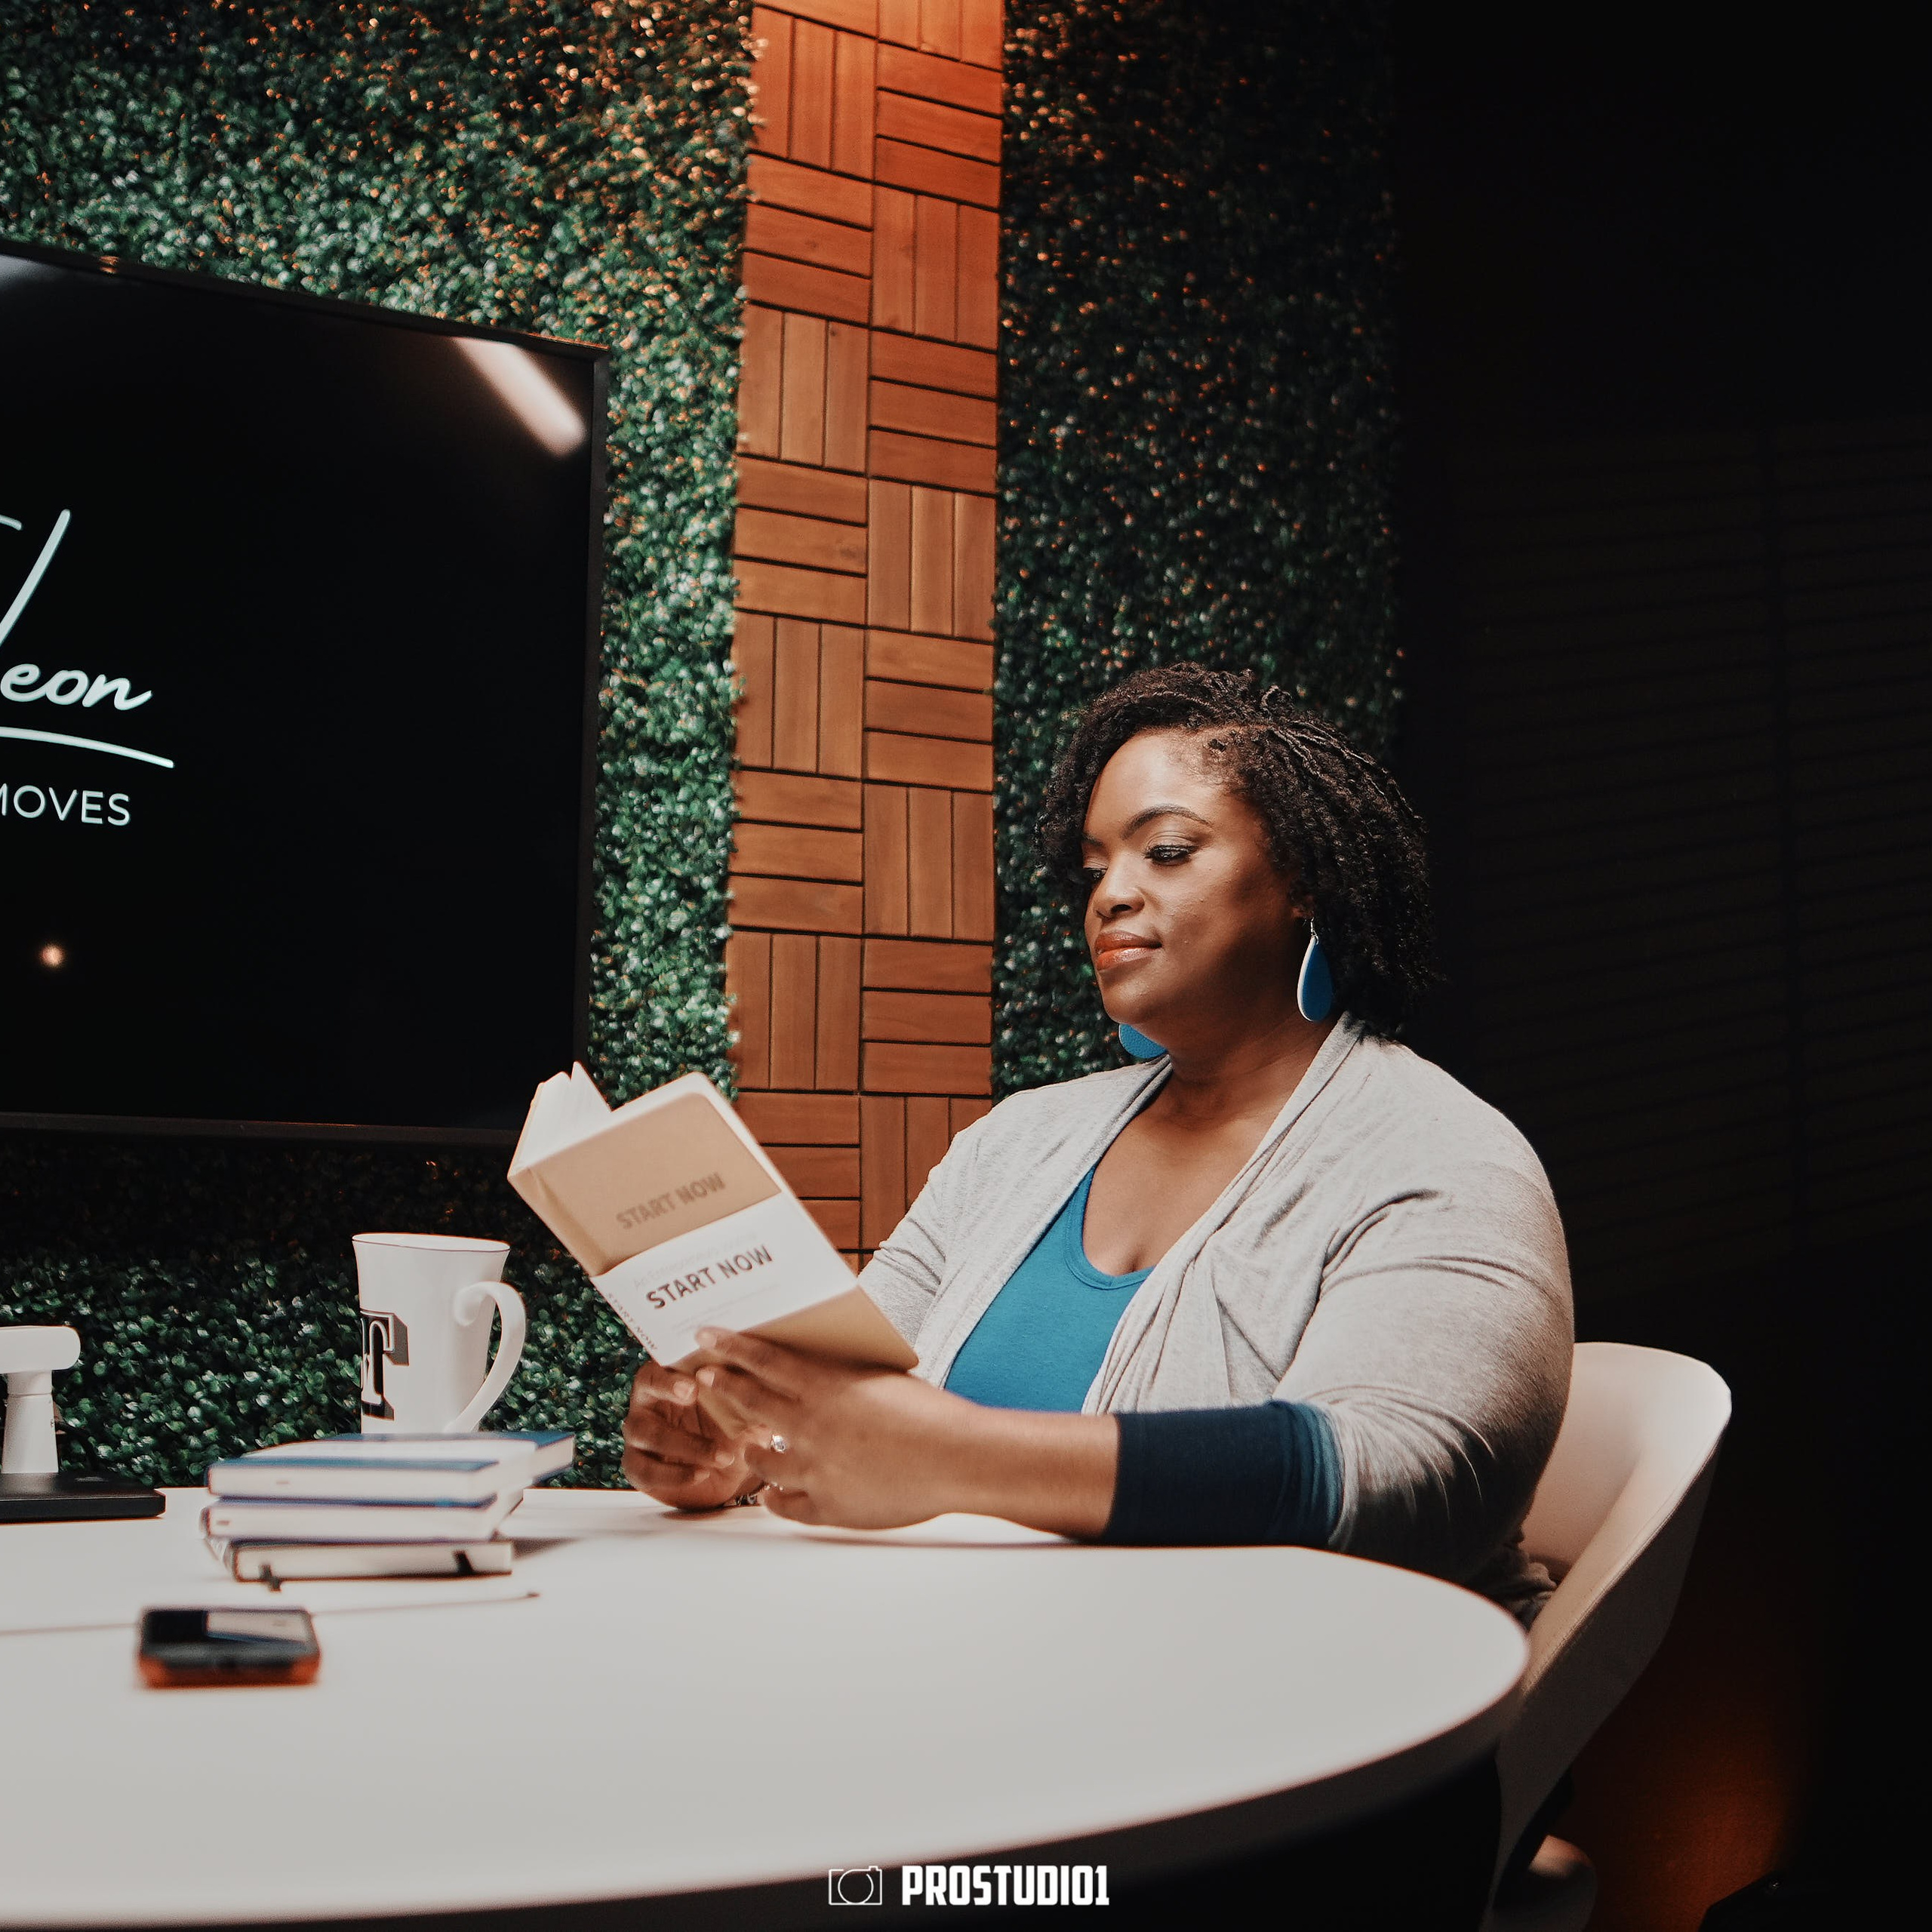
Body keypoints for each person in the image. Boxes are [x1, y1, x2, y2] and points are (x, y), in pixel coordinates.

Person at [622, 663, 1573, 1622]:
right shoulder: (1016, 1143)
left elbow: (1394, 1479)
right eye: (1094, 866)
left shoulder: (1442, 1155)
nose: (1110, 893)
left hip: (1316, 1713)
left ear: (1301, 885)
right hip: (993, 1661)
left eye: (1164, 851)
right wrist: (748, 1447)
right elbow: (856, 1395)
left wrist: (955, 1457)